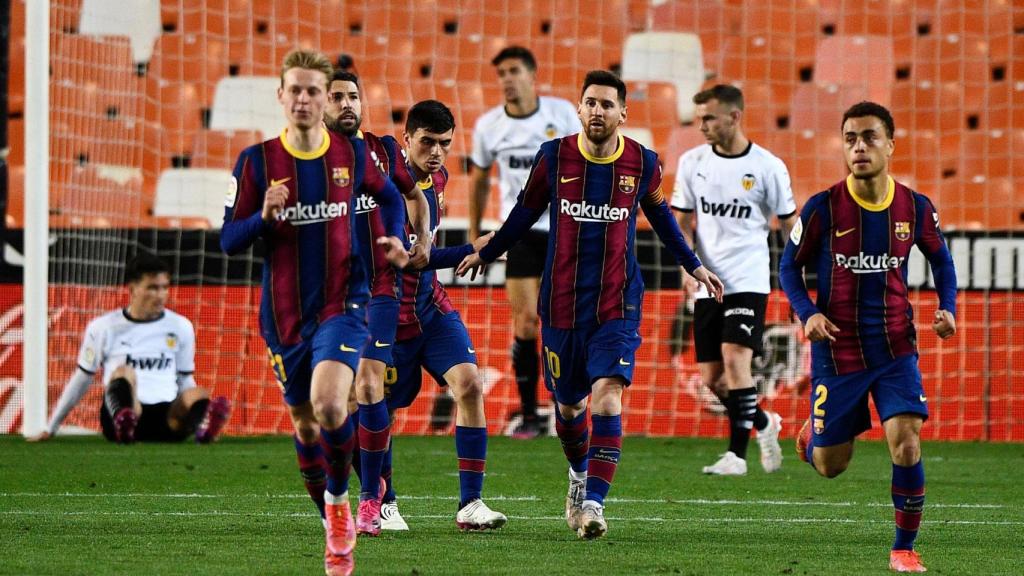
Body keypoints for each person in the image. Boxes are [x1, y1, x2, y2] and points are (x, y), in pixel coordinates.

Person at [457, 70, 724, 540]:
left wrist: (693, 264)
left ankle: (596, 504)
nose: (598, 111)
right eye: (590, 103)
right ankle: (579, 476)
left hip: (616, 303)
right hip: (560, 304)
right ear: (578, 110)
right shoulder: (553, 157)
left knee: (606, 395)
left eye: (607, 104)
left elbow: (661, 218)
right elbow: (524, 213)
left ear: (624, 113)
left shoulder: (643, 163)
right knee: (569, 408)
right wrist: (488, 249)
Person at [220, 49, 408, 576]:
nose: (304, 99)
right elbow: (229, 240)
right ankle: (331, 510)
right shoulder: (256, 163)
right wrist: (263, 216)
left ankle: (342, 502)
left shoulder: (350, 154)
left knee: (331, 406)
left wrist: (394, 235)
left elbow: (390, 195)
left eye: (313, 91)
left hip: (344, 303)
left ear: (326, 99)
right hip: (282, 316)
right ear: (282, 97)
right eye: (294, 90)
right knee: (305, 426)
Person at [779, 101, 957, 574]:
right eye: (851, 138)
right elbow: (787, 267)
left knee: (907, 442)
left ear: (890, 145)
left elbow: (941, 260)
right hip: (836, 354)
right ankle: (813, 437)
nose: (859, 146)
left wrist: (948, 307)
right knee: (831, 465)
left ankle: (903, 547)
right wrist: (808, 312)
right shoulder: (822, 208)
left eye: (870, 137)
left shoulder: (915, 207)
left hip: (895, 346)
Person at [362, 99, 506, 532]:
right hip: (387, 312)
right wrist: (471, 249)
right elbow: (412, 259)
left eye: (445, 143)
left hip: (431, 307)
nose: (437, 152)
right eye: (427, 142)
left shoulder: (438, 179)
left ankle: (471, 503)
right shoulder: (383, 184)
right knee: (380, 407)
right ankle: (385, 501)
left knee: (467, 384)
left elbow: (425, 257)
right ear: (407, 140)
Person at [322, 68, 432, 535]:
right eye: (337, 97)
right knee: (334, 404)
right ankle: (373, 491)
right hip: (329, 296)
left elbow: (415, 197)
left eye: (353, 96)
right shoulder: (301, 161)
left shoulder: (383, 151)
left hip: (380, 289)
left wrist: (422, 240)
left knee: (369, 389)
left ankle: (373, 502)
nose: (347, 104)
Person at [671, 84, 797, 475]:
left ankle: (736, 456)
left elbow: (791, 223)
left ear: (734, 117)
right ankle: (763, 422)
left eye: (709, 118)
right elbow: (681, 221)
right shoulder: (693, 162)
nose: (702, 126)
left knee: (735, 359)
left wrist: (799, 276)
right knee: (711, 377)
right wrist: (685, 266)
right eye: (699, 119)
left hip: (749, 278)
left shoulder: (767, 166)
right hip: (708, 283)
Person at [468, 46, 579, 439]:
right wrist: (475, 229)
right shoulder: (488, 126)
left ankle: (570, 405)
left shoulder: (562, 114)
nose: (507, 79)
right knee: (527, 322)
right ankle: (530, 413)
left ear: (532, 76)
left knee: (565, 320)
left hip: (565, 228)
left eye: (514, 71)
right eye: (501, 73)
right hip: (518, 231)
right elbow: (480, 178)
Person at [28, 253, 229, 444]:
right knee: (124, 372)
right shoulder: (104, 327)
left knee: (198, 393)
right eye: (152, 288)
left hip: (167, 418)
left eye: (164, 287)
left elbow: (184, 378)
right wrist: (51, 426)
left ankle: (203, 430)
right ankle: (124, 422)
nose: (160, 295)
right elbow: (83, 377)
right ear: (132, 289)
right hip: (123, 414)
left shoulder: (181, 326)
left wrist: (195, 407)